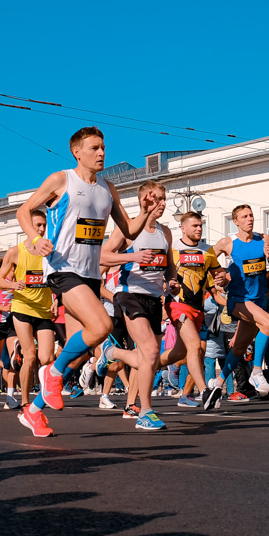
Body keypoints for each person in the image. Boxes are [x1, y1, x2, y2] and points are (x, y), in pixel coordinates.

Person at [15, 126, 158, 437]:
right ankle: (52, 373)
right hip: (62, 269)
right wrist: (35, 239)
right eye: (94, 148)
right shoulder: (62, 180)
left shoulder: (108, 189)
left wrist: (145, 212)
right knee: (102, 326)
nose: (102, 153)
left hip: (91, 274)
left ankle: (33, 411)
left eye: (103, 147)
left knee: (80, 350)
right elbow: (23, 210)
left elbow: (129, 230)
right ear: (77, 152)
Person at [98, 181, 176, 428]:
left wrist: (171, 281)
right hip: (129, 294)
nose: (161, 204)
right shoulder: (128, 229)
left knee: (149, 358)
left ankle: (112, 353)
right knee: (151, 352)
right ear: (144, 200)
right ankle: (145, 412)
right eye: (156, 199)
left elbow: (169, 265)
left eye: (163, 199)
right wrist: (132, 256)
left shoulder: (165, 232)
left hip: (154, 299)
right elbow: (102, 256)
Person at [161, 211, 227, 410]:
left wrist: (222, 278)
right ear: (183, 228)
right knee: (195, 346)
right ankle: (205, 391)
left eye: (200, 225)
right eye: (195, 226)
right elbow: (160, 277)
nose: (199, 229)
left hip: (198, 308)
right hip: (177, 304)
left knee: (179, 353)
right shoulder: (172, 249)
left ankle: (145, 366)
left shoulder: (208, 251)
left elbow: (219, 274)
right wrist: (168, 285)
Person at [214, 204, 269, 398]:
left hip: (258, 300)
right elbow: (206, 261)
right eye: (244, 216)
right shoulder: (227, 243)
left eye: (251, 215)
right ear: (235, 221)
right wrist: (218, 279)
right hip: (238, 299)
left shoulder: (263, 239)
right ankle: (257, 372)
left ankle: (216, 385)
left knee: (239, 348)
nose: (249, 219)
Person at [0, 209, 58, 412]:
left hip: (43, 309)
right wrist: (13, 285)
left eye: (44, 225)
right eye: (38, 225)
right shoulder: (15, 252)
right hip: (22, 307)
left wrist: (56, 300)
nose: (41, 229)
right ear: (28, 227)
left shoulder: (50, 251)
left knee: (47, 358)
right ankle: (24, 401)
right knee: (30, 356)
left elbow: (58, 279)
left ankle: (43, 392)